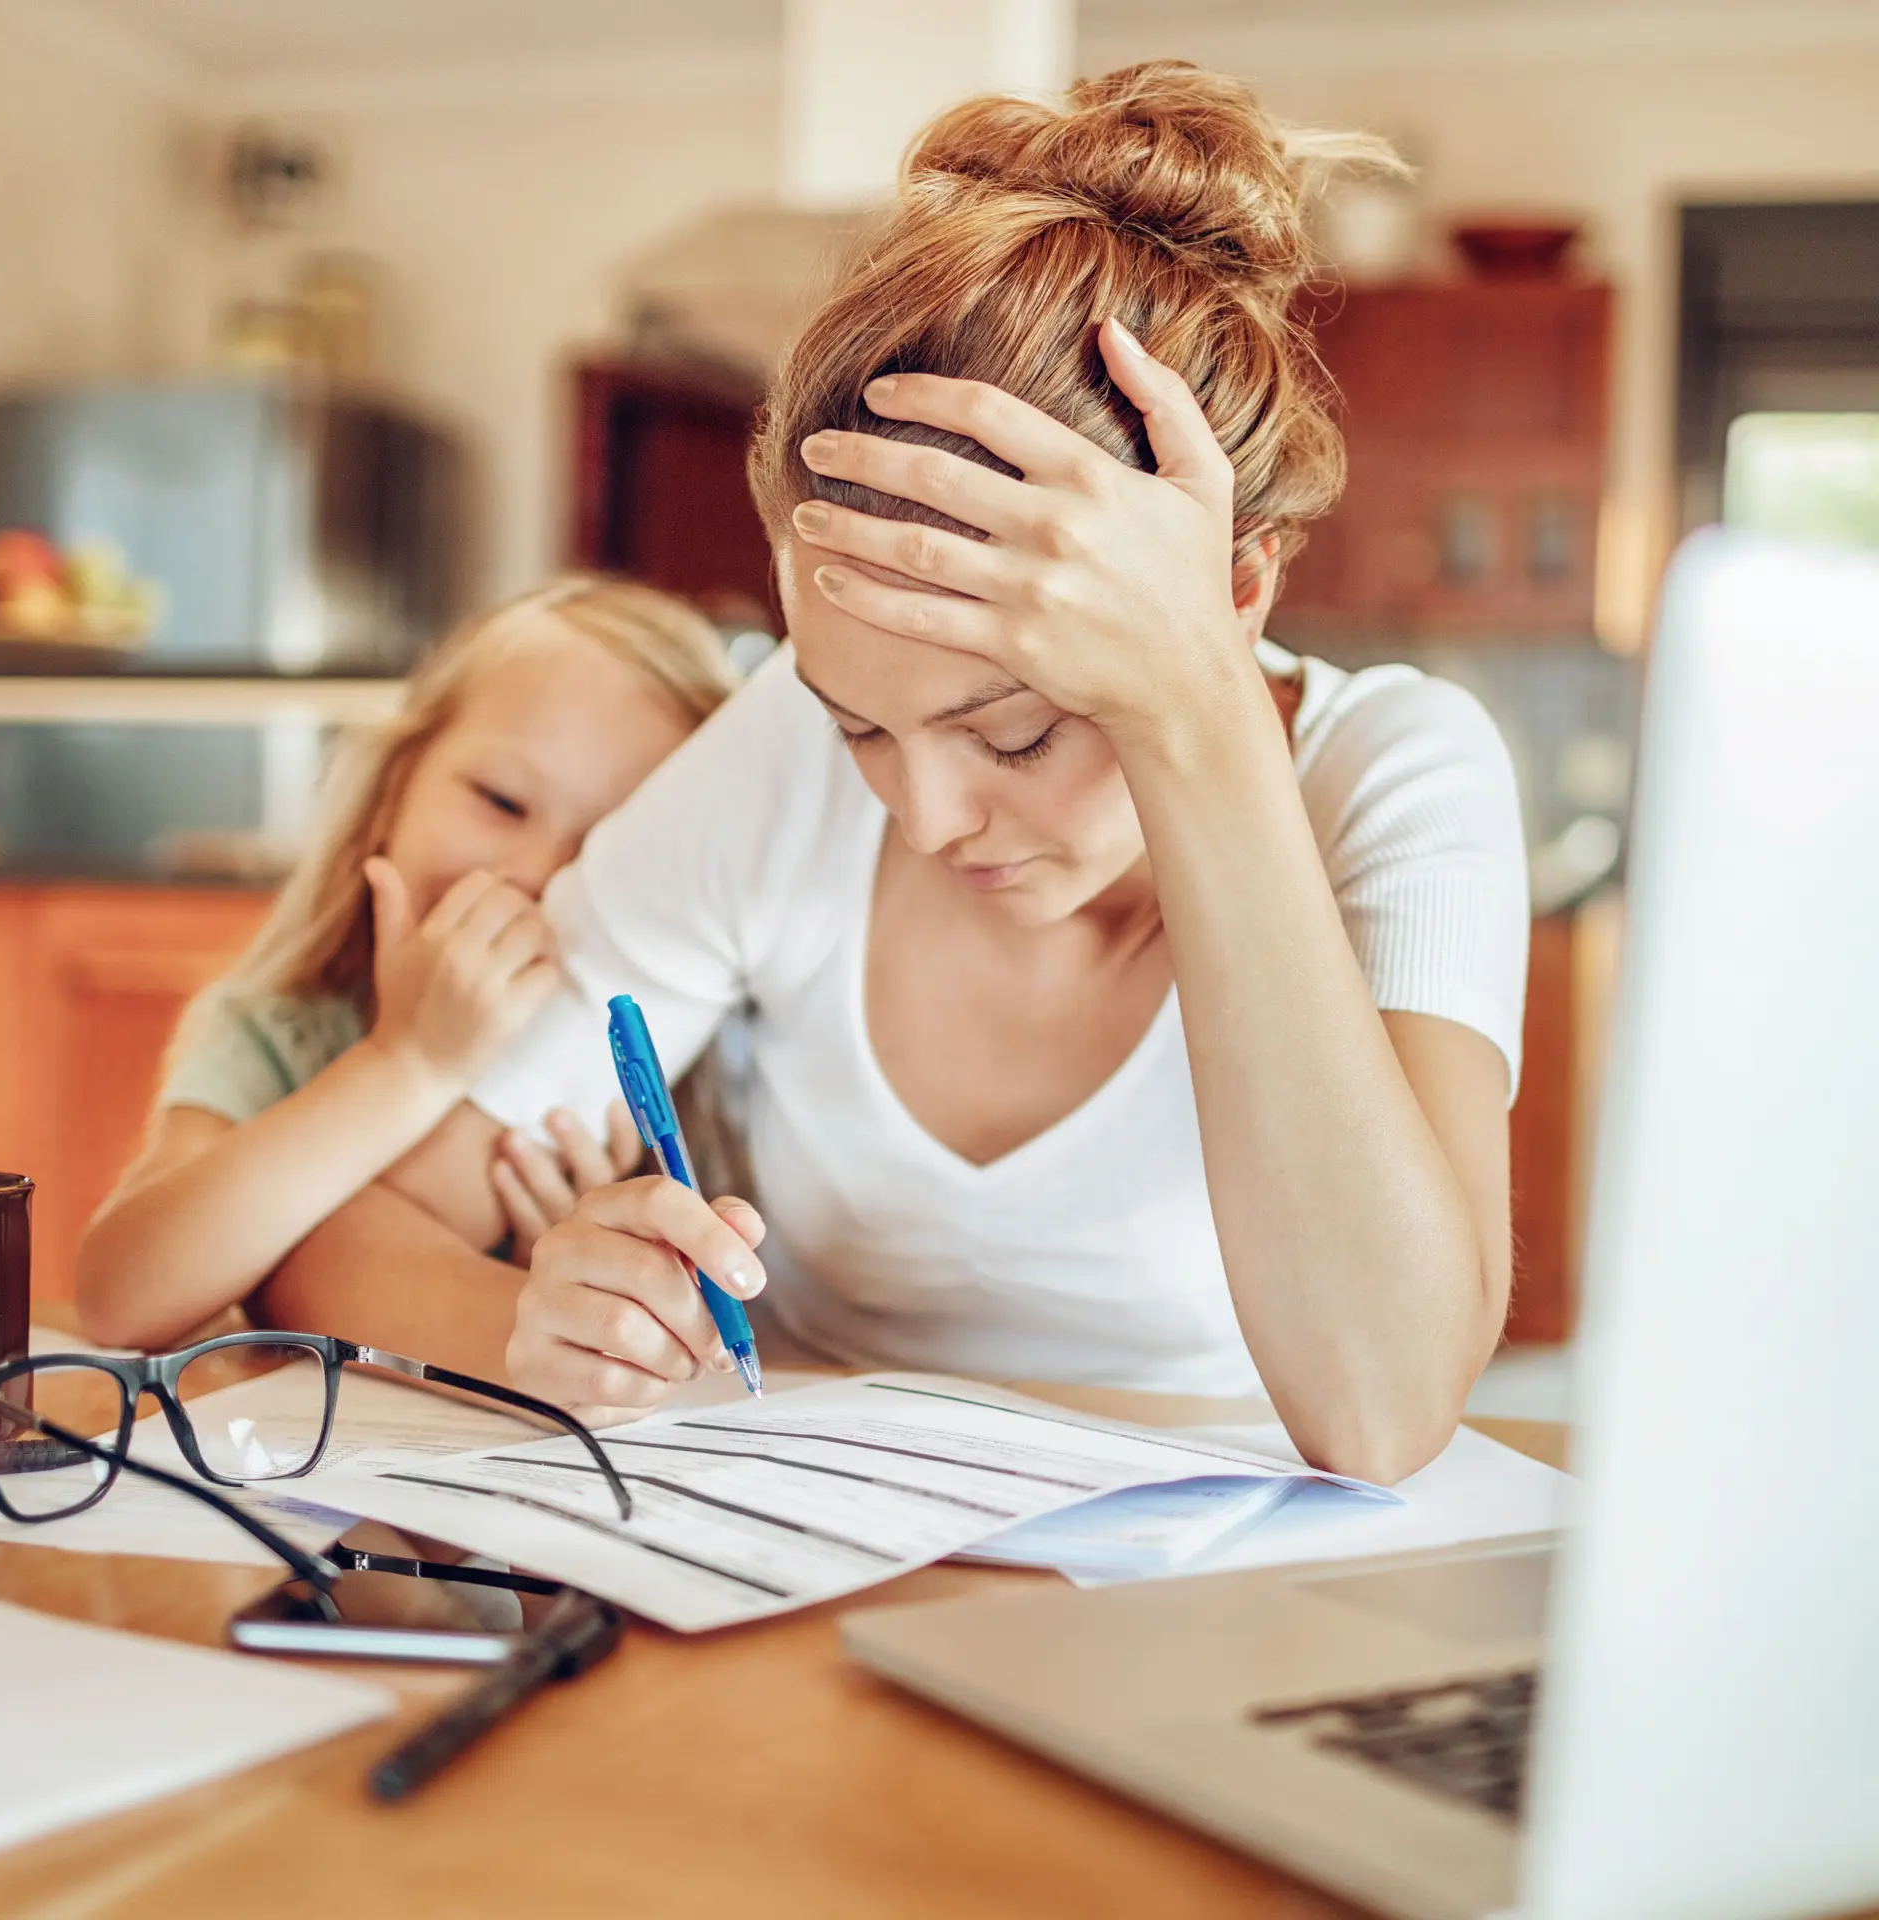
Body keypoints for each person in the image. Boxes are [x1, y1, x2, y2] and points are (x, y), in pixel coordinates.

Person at [262, 62, 1529, 1484]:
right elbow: (344, 1236)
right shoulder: (777, 762)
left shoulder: (1394, 773)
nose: (922, 817)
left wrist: (1202, 726)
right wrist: (536, 1322)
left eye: (1015, 734)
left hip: (1215, 1605)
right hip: (812, 1568)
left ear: (1233, 593)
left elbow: (1385, 1409)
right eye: (861, 726)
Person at [75, 576, 738, 1352]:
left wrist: (571, 1268)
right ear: (394, 787)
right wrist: (411, 1061)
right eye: (501, 800)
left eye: (605, 850)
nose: (538, 873)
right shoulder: (282, 1028)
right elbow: (119, 1297)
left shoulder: (693, 1067)